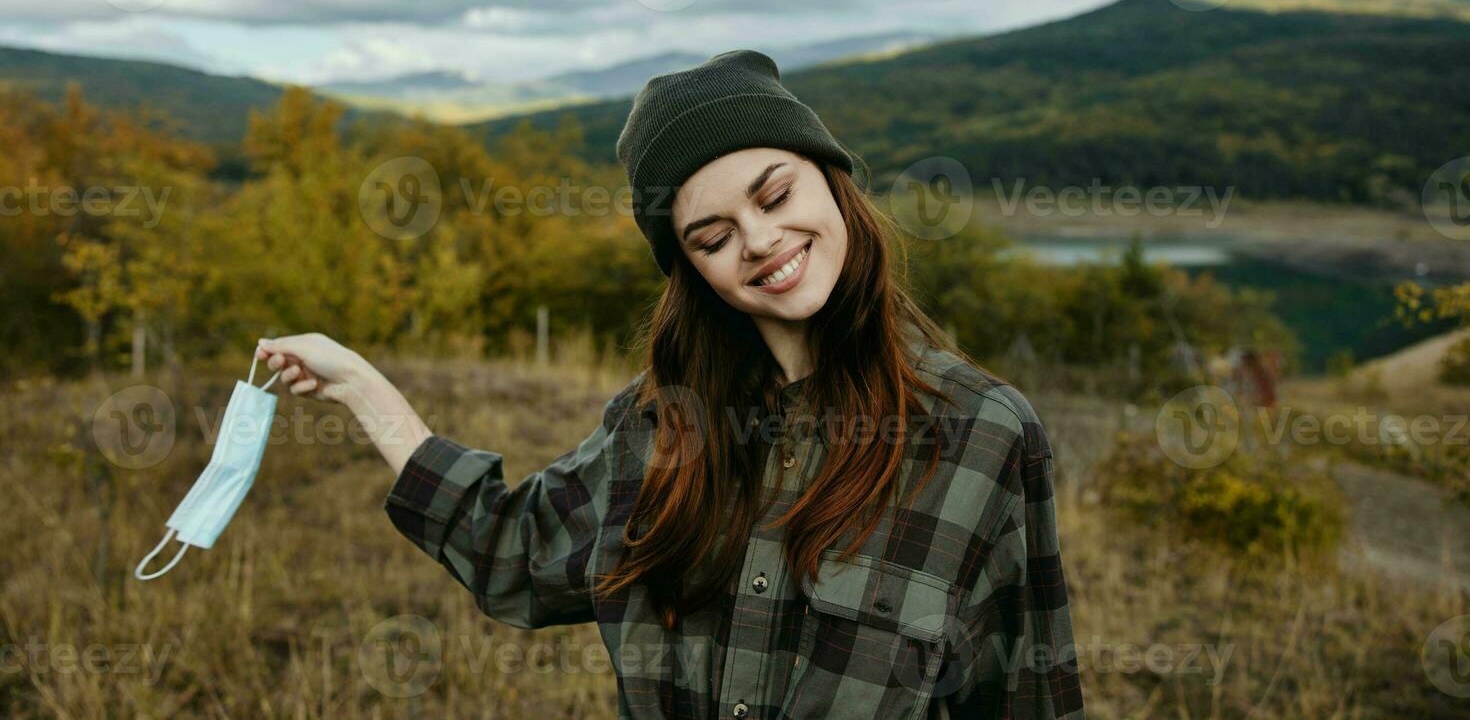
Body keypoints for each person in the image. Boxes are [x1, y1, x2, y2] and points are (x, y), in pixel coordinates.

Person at [255, 50, 1085, 719]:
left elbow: (1026, 694)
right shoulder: (657, 429)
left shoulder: (983, 433)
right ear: (691, 268)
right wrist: (363, 388)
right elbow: (508, 548)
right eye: (714, 235)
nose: (760, 241)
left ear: (834, 180)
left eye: (777, 194)